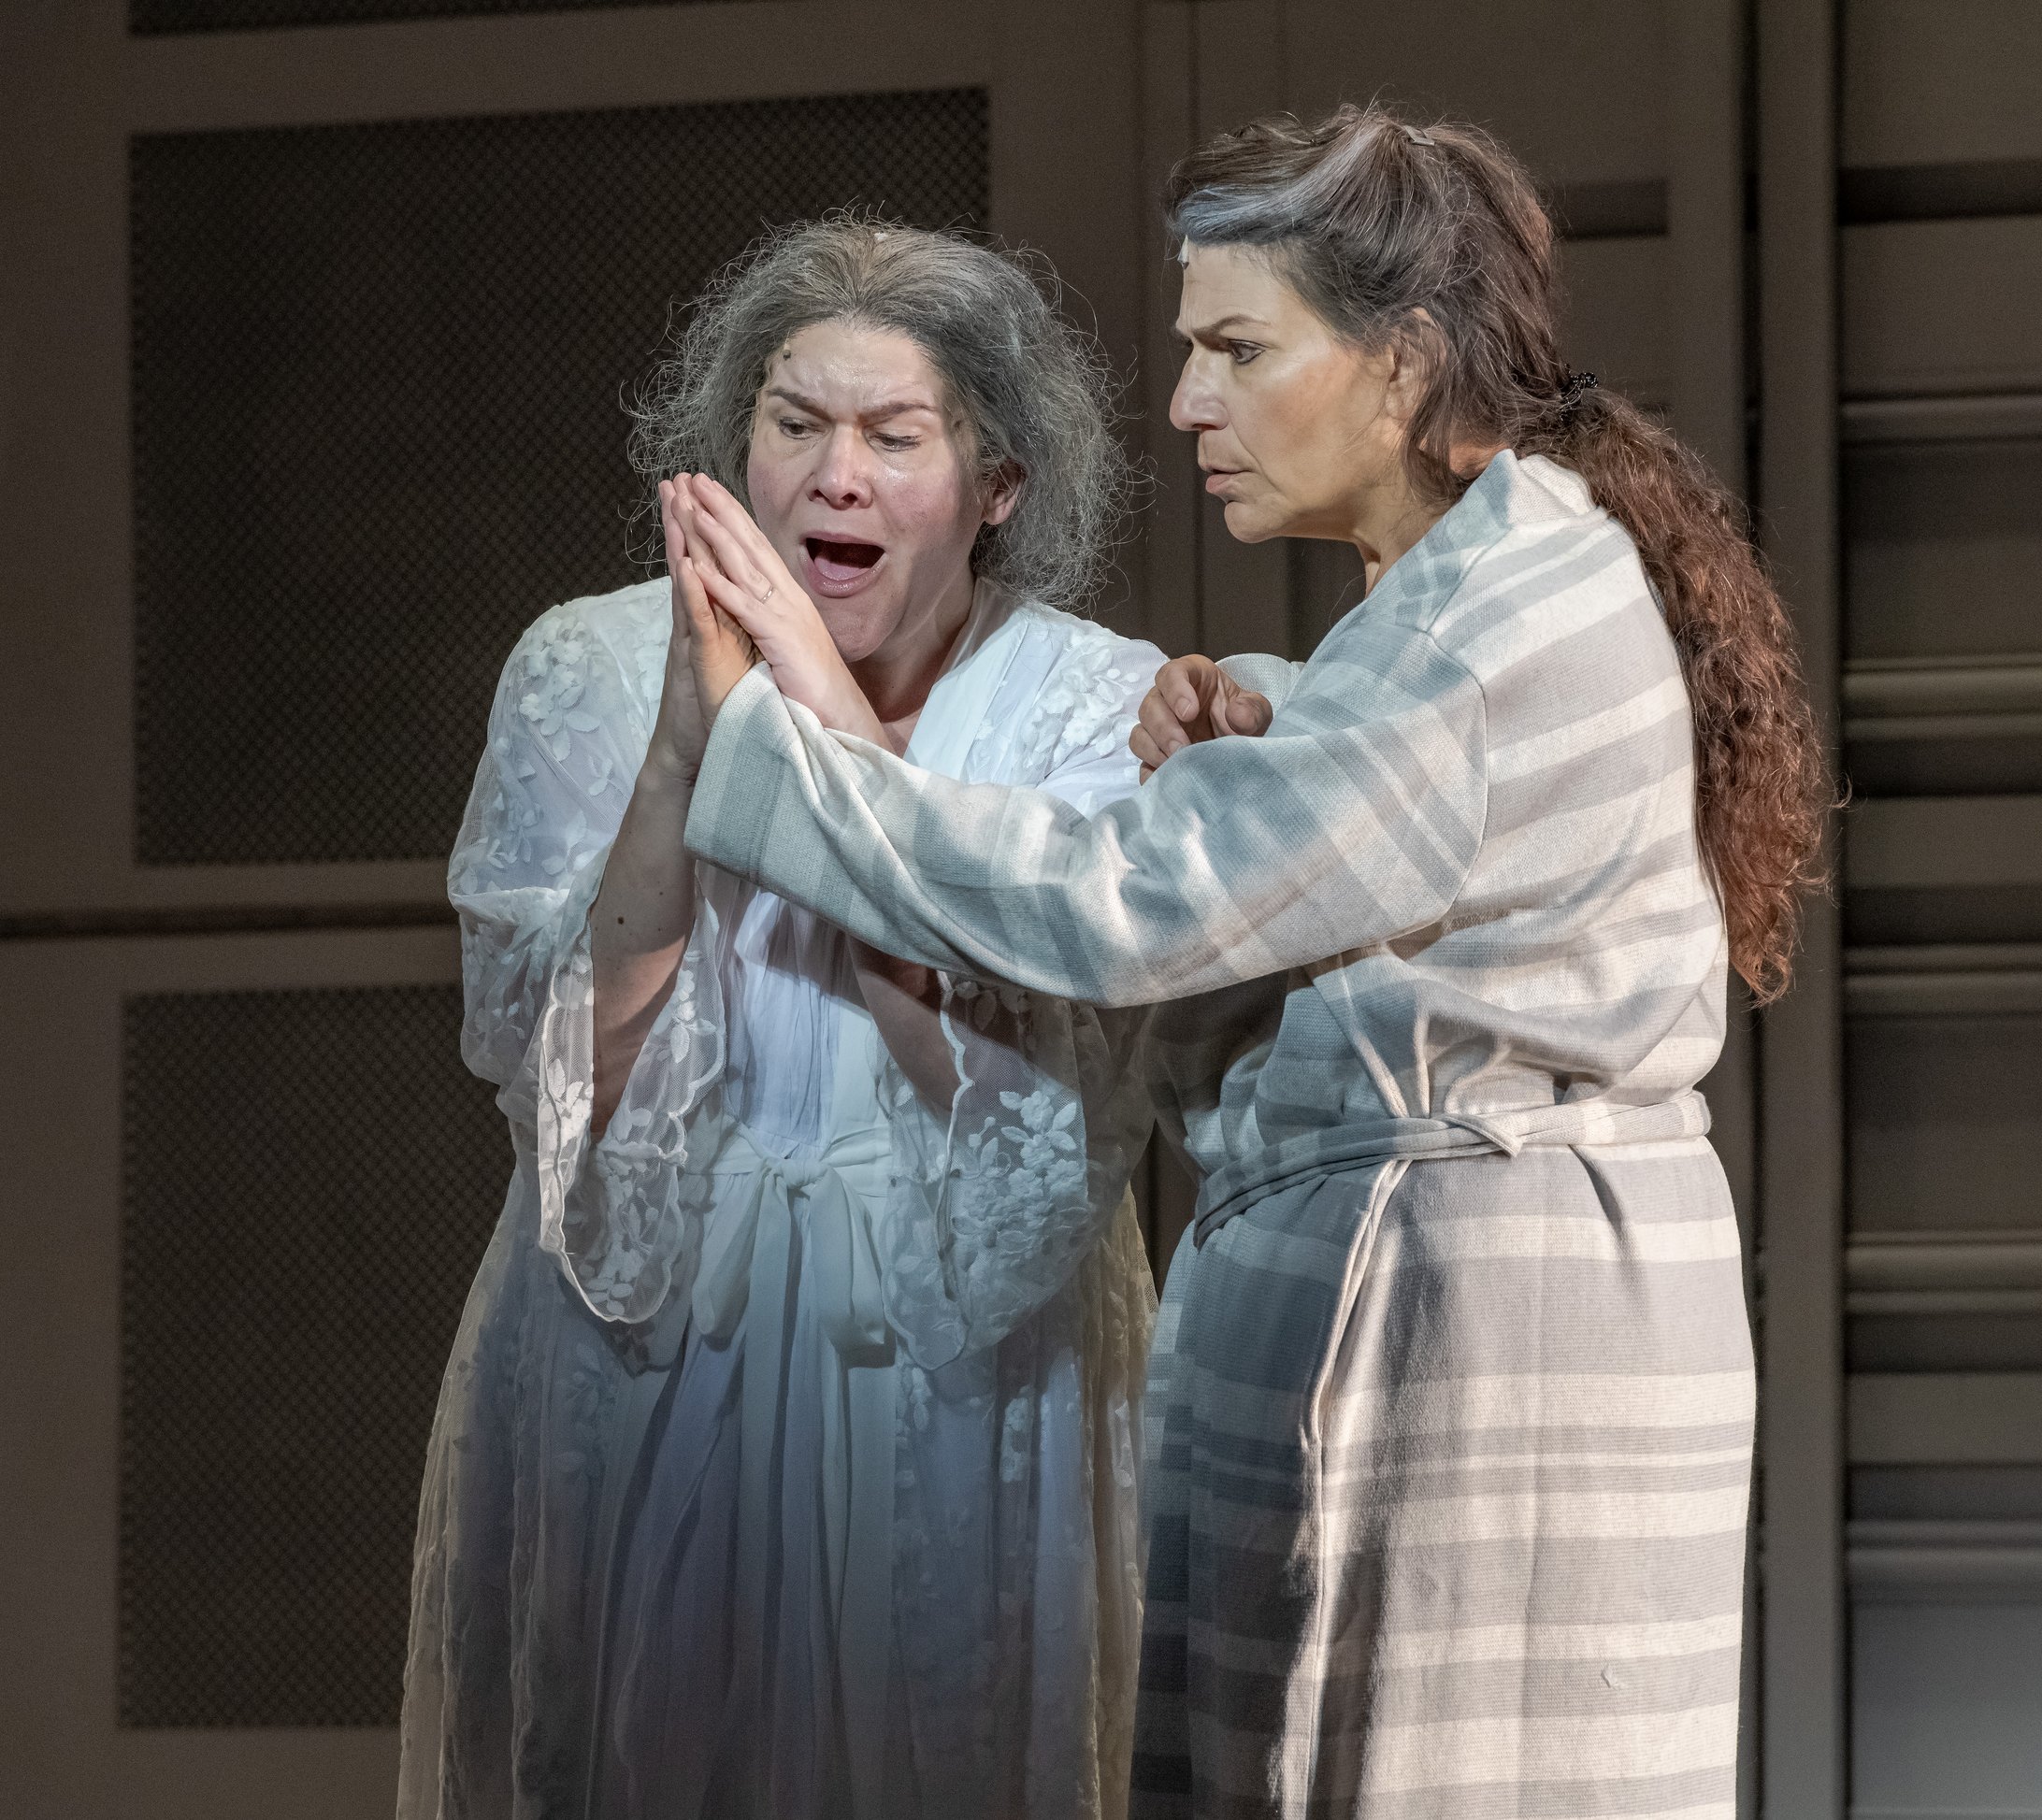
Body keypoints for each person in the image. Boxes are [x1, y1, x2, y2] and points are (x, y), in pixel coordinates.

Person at [673, 106, 1828, 1817]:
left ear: (1402, 363)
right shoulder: (1465, 594)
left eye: (1235, 349)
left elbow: (1119, 907)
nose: (1189, 403)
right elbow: (1395, 856)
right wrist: (1271, 723)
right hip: (1444, 1292)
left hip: (1471, 1329)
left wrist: (778, 752)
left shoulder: (1499, 619)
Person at [398, 219, 1167, 1820]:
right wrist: (691, 747)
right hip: (644, 1346)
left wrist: (819, 724)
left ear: (997, 484)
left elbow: (1035, 1129)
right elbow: (567, 1089)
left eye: (896, 438)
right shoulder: (585, 668)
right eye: (794, 425)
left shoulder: (1095, 704)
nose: (836, 477)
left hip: (962, 1368)